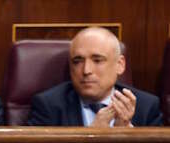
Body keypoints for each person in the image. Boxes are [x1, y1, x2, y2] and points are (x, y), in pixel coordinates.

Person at [28, 27, 163, 127]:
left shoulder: (146, 106)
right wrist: (90, 136)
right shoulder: (48, 106)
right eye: (77, 61)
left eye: (98, 60)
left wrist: (126, 135)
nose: (86, 70)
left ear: (120, 65)